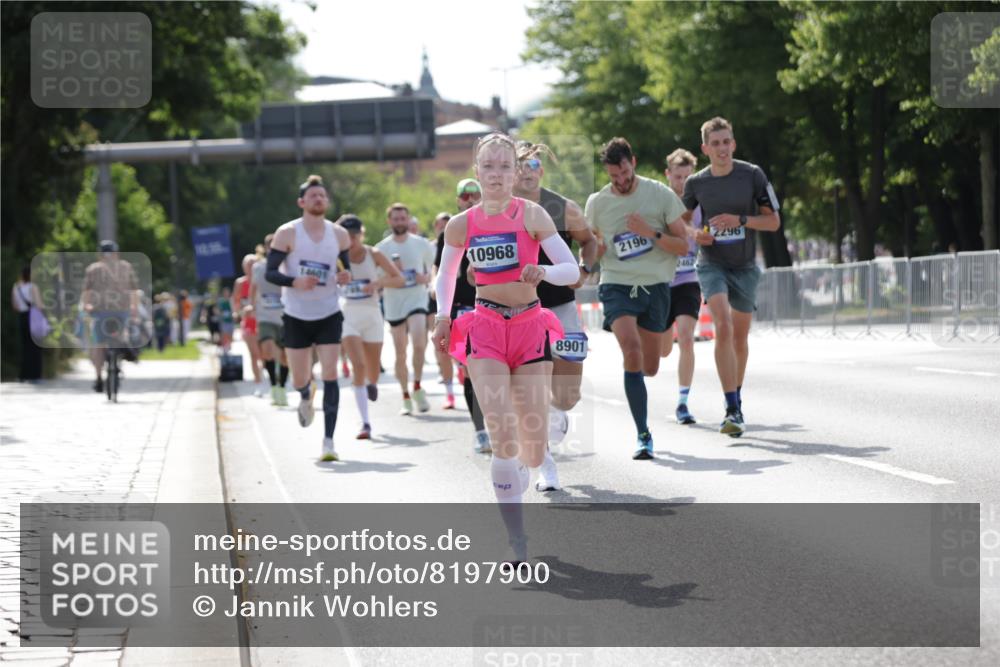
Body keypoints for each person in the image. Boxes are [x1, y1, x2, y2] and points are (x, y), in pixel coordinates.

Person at [432, 132, 579, 565]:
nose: (496, 174)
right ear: (477, 172)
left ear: (516, 173)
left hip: (530, 327)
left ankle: (536, 453)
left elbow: (570, 269)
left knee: (531, 449)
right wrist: (443, 317)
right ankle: (517, 541)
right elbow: (446, 275)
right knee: (501, 435)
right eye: (488, 166)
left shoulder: (532, 214)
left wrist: (543, 272)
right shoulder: (462, 224)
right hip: (486, 329)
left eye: (504, 166)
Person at [585, 137, 690, 460]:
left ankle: (646, 363)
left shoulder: (659, 194)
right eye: (614, 176)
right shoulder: (597, 203)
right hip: (617, 284)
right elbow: (589, 248)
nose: (621, 180)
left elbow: (683, 246)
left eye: (625, 173)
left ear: (633, 162)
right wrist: (595, 253)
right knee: (631, 350)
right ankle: (643, 434)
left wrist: (650, 233)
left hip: (655, 286)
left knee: (650, 367)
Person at [682, 117, 781, 437]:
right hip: (712, 263)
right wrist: (696, 234)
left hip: (745, 266)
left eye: (726, 142)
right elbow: (680, 222)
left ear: (733, 144)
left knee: (739, 337)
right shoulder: (696, 183)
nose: (722, 148)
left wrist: (741, 220)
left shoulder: (752, 175)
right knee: (722, 326)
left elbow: (773, 222)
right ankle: (732, 407)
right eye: (716, 143)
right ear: (705, 149)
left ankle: (736, 396)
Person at [513, 140, 597, 491]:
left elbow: (589, 241)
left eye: (533, 165)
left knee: (567, 396)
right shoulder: (500, 210)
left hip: (561, 307)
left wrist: (585, 269)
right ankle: (545, 466)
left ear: (541, 171)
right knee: (528, 390)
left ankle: (557, 411)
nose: (526, 172)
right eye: (520, 166)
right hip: (519, 311)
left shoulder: (563, 208)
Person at [265, 174, 352, 461]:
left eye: (323, 195)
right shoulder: (287, 233)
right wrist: (295, 282)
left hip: (329, 312)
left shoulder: (339, 235)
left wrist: (345, 276)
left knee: (330, 374)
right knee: (299, 377)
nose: (319, 199)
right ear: (301, 202)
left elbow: (345, 270)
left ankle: (328, 441)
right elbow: (270, 273)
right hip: (296, 314)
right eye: (313, 195)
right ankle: (305, 393)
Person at [434, 179, 492, 453]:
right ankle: (480, 431)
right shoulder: (453, 230)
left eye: (475, 194)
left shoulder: (497, 225)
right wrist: (441, 312)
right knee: (470, 370)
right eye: (465, 196)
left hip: (492, 306)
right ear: (458, 200)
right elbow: (441, 271)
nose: (471, 199)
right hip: (462, 308)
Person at [338, 214, 406, 439]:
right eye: (346, 237)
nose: (350, 241)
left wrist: (378, 283)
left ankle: (371, 383)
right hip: (348, 314)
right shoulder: (335, 256)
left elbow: (399, 279)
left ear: (361, 234)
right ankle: (365, 423)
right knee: (358, 365)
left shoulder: (373, 254)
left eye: (354, 236)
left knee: (373, 370)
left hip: (372, 315)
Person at [375, 203, 436, 415]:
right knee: (400, 352)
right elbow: (377, 280)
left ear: (408, 220)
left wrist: (426, 278)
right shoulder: (381, 248)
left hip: (417, 299)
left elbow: (434, 269)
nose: (400, 222)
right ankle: (405, 395)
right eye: (396, 219)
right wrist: (395, 278)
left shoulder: (421, 244)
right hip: (393, 304)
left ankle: (417, 385)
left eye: (403, 218)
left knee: (419, 343)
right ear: (389, 221)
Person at [661, 148, 703, 425]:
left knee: (686, 338)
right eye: (678, 177)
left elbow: (709, 237)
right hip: (662, 283)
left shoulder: (701, 206)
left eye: (688, 177)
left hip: (689, 280)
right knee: (663, 350)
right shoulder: (659, 204)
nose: (683, 182)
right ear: (668, 175)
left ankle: (683, 402)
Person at [82, 241, 141, 393]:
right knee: (124, 332)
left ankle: (98, 378)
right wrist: (134, 308)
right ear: (117, 253)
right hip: (122, 309)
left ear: (100, 254)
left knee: (98, 344)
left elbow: (87, 291)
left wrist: (87, 306)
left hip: (100, 310)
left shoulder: (93, 269)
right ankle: (127, 348)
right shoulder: (126, 267)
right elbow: (134, 290)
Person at [250, 234, 289, 406]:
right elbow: (253, 289)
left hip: (285, 316)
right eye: (270, 247)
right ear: (266, 248)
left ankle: (282, 388)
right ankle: (273, 386)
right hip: (265, 315)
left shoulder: (287, 266)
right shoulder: (258, 267)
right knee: (267, 350)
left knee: (285, 356)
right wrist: (251, 306)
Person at [428, 212, 457, 410]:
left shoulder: (471, 229)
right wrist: (433, 284)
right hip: (446, 300)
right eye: (442, 225)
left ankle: (463, 371)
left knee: (465, 352)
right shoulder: (442, 239)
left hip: (468, 299)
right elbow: (437, 266)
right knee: (444, 348)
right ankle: (450, 393)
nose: (445, 228)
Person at [233, 253, 265, 394]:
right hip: (248, 322)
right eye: (248, 265)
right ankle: (258, 382)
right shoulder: (240, 283)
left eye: (253, 264)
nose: (251, 267)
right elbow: (236, 301)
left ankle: (264, 374)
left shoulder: (263, 280)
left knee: (264, 353)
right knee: (253, 354)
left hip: (263, 320)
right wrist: (239, 312)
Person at [11, 265, 44, 381]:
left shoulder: (16, 287)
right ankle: (35, 375)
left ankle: (23, 375)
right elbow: (39, 305)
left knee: (24, 347)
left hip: (22, 317)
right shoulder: (33, 286)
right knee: (35, 347)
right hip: (33, 316)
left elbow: (15, 306)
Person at [218, 287, 234, 352]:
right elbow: (219, 310)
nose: (226, 294)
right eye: (225, 292)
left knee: (230, 335)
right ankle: (224, 347)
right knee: (224, 334)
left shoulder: (231, 300)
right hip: (224, 321)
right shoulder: (221, 301)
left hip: (230, 320)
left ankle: (229, 345)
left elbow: (233, 309)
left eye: (227, 292)